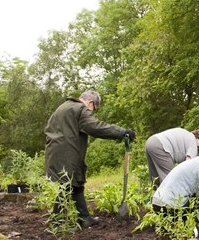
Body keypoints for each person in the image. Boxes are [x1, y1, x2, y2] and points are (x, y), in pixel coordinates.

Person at [44, 90, 136, 228]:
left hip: (54, 152)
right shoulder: (80, 108)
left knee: (76, 183)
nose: (92, 113)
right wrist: (121, 132)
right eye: (94, 110)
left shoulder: (62, 107)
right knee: (67, 185)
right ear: (90, 102)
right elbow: (94, 127)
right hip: (68, 152)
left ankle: (85, 218)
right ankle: (56, 222)